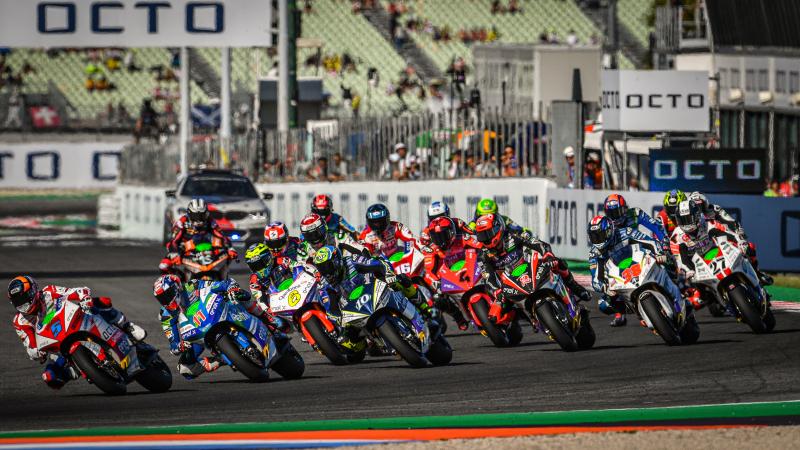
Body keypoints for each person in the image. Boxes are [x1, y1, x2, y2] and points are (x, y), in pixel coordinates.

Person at [9, 276, 146, 389]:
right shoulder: (19, 321)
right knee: (50, 377)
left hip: (74, 322)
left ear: (33, 291)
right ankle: (79, 369)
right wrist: (36, 353)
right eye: (18, 301)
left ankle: (128, 326)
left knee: (100, 302)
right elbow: (30, 344)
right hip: (57, 345)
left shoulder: (48, 292)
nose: (23, 303)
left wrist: (84, 297)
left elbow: (76, 291)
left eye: (24, 298)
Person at [153, 274, 275, 379]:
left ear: (177, 287)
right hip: (196, 333)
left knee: (241, 296)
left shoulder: (191, 285)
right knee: (185, 368)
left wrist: (230, 288)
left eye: (168, 294)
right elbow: (173, 343)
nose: (166, 300)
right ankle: (221, 359)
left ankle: (268, 318)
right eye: (161, 298)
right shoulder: (166, 314)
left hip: (215, 311)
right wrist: (180, 346)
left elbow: (217, 285)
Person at [474, 214, 591, 310]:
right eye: (482, 235)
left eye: (488, 233)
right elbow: (487, 276)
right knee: (499, 308)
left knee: (558, 263)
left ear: (498, 228)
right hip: (509, 283)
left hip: (530, 266)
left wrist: (547, 254)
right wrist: (496, 291)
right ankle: (520, 323)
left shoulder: (513, 235)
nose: (486, 238)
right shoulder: (482, 255)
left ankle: (574, 286)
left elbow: (538, 243)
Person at [587, 215, 675, 326]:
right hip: (620, 278)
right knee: (603, 304)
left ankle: (680, 285)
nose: (598, 240)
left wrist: (659, 253)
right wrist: (604, 287)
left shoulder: (625, 232)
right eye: (594, 237)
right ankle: (636, 311)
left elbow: (650, 242)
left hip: (640, 263)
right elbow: (595, 279)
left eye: (600, 235)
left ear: (609, 231)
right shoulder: (594, 253)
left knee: (668, 261)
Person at [685, 193, 772, 286]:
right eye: (696, 207)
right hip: (704, 246)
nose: (699, 210)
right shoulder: (688, 223)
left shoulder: (714, 210)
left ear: (706, 204)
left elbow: (731, 222)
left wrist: (740, 235)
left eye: (701, 206)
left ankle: (757, 273)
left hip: (721, 238)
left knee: (749, 246)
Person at [421, 217, 476, 330]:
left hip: (469, 266)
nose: (441, 240)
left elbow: (479, 245)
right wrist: (435, 283)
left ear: (451, 232)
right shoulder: (431, 250)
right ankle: (458, 317)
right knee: (438, 299)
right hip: (449, 274)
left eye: (443, 235)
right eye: (436, 237)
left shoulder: (462, 238)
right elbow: (429, 271)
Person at [161, 199, 236, 275]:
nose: (199, 219)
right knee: (164, 266)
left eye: (202, 216)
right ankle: (178, 278)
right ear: (189, 214)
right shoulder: (181, 222)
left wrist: (230, 248)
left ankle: (223, 277)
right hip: (184, 249)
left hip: (206, 247)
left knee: (228, 255)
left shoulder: (210, 221)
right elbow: (174, 241)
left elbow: (221, 235)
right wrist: (175, 253)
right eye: (196, 216)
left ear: (206, 214)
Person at [603, 194, 668, 249]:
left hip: (637, 249)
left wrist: (664, 244)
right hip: (617, 253)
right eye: (610, 214)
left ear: (624, 209)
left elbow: (656, 226)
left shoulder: (635, 213)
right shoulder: (605, 224)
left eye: (617, 212)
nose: (614, 217)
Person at [298, 213, 368, 262]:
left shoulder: (338, 236)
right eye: (309, 236)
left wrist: (367, 260)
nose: (315, 238)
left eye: (317, 233)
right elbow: (300, 268)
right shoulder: (303, 248)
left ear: (325, 227)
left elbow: (360, 248)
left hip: (343, 272)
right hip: (319, 277)